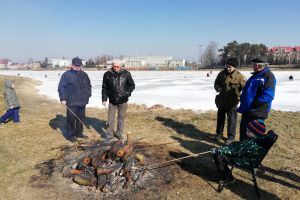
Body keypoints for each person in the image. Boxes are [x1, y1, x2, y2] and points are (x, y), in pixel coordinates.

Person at [237, 57, 276, 141]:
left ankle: (250, 154)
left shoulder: (268, 76)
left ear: (257, 65)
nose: (252, 66)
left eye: (253, 64)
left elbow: (268, 95)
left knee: (252, 136)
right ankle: (241, 152)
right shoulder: (255, 75)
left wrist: (255, 104)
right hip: (247, 110)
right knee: (244, 134)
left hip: (257, 112)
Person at [58, 57, 91, 141]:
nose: (78, 67)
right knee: (71, 120)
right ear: (72, 65)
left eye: (79, 65)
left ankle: (79, 133)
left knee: (81, 119)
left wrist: (88, 95)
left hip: (82, 102)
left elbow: (88, 85)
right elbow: (62, 87)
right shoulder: (66, 75)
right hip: (72, 102)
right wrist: (63, 98)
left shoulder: (84, 74)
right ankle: (70, 135)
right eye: (76, 65)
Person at [214, 58, 246, 144]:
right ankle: (218, 134)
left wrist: (241, 97)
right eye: (227, 66)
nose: (228, 68)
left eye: (230, 67)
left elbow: (245, 88)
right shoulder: (221, 74)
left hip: (232, 102)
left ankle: (231, 137)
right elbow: (216, 83)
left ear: (234, 67)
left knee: (232, 120)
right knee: (220, 118)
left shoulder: (240, 76)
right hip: (222, 100)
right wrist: (218, 88)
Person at [102, 61, 135, 140]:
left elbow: (132, 85)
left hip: (123, 101)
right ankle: (109, 135)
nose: (116, 68)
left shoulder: (126, 74)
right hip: (112, 101)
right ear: (112, 66)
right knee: (110, 119)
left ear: (120, 66)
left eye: (117, 67)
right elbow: (104, 88)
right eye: (114, 66)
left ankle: (119, 133)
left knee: (121, 118)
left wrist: (127, 93)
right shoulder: (107, 74)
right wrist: (104, 99)